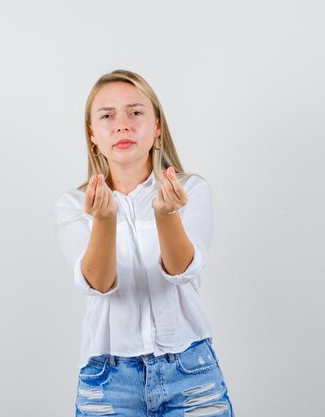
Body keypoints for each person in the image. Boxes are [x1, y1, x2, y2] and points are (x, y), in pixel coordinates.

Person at [54, 69, 236, 417]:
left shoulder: (191, 191)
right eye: (107, 116)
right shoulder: (74, 206)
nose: (122, 125)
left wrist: (166, 215)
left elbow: (182, 269)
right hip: (107, 381)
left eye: (135, 112)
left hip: (191, 372)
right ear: (92, 134)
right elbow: (98, 283)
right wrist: (104, 220)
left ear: (157, 128)